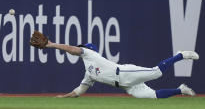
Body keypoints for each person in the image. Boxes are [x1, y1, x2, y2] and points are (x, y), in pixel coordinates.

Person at [43, 40, 199, 99]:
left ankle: (181, 55)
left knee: (156, 72)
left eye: (81, 48)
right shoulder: (88, 72)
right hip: (126, 85)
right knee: (154, 96)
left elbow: (71, 49)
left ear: (88, 49)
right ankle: (181, 90)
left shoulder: (90, 54)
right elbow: (79, 91)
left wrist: (52, 45)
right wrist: (63, 97)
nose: (79, 49)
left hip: (125, 73)